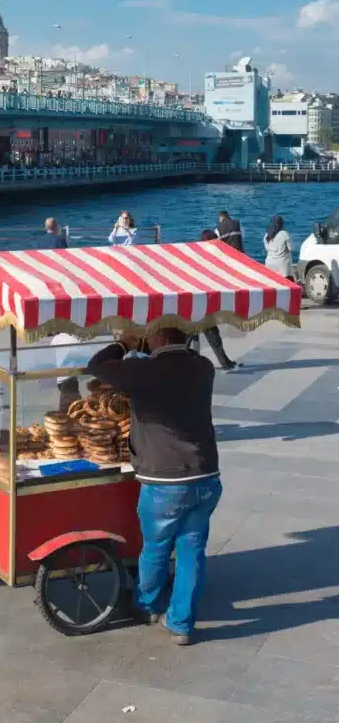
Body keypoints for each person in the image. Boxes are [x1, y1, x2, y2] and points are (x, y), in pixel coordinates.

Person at [87, 328, 222, 645]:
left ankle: (147, 605)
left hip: (165, 479)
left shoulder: (142, 370)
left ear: (157, 338)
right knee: (192, 551)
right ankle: (181, 624)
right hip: (205, 474)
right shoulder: (204, 367)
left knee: (156, 547)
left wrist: (125, 344)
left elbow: (97, 364)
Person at [187, 230, 240, 372]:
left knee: (196, 335)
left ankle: (226, 363)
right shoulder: (205, 258)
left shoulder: (198, 256)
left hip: (198, 303)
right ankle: (226, 364)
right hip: (200, 304)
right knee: (209, 336)